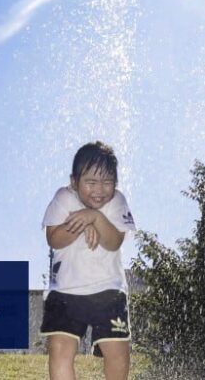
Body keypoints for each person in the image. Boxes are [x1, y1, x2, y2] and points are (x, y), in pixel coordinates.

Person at [40, 142, 136, 380]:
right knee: (60, 351)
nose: (99, 190)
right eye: (91, 182)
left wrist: (94, 217)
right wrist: (83, 224)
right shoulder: (64, 197)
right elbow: (53, 238)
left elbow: (114, 241)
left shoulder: (117, 202)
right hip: (65, 291)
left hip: (108, 290)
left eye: (107, 182)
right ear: (74, 182)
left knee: (117, 352)